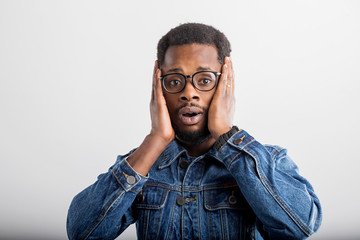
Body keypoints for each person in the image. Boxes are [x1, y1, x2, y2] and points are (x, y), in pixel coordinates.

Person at [66, 23, 322, 240]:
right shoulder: (141, 165)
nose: (189, 93)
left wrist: (226, 133)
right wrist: (155, 140)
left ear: (226, 84)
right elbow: (81, 232)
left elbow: (300, 226)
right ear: (160, 89)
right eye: (175, 81)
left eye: (205, 80)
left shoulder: (267, 161)